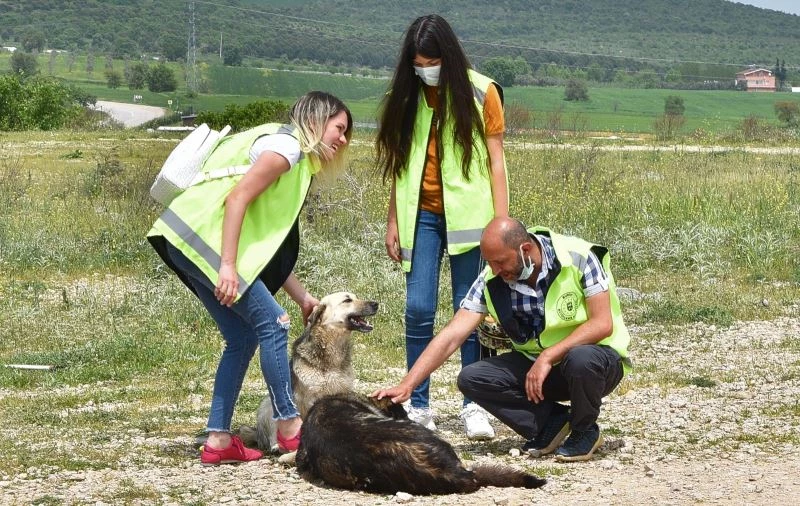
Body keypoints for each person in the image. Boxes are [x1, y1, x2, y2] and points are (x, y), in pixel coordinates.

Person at [147, 91, 352, 465]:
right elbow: (236, 199)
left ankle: (219, 440)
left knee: (241, 338)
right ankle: (290, 427)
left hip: (183, 238)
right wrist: (226, 265)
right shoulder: (287, 150)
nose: (342, 139)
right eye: (339, 128)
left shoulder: (286, 149)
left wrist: (302, 296)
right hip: (202, 239)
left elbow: (261, 244)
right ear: (316, 120)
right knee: (273, 325)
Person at [374, 217, 632, 462]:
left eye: (500, 262)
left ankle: (584, 430)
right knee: (472, 378)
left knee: (580, 358)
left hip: (594, 364)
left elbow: (602, 323)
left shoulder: (578, 256)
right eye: (490, 263)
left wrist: (549, 355)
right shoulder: (491, 278)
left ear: (526, 249)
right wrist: (408, 384)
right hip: (540, 371)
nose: (495, 270)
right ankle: (552, 422)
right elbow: (453, 334)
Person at [375, 14, 508, 440]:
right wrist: (393, 220)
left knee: (469, 313)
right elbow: (399, 164)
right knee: (417, 309)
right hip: (422, 217)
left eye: (430, 61)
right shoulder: (405, 94)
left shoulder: (482, 92)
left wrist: (501, 227)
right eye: (417, 62)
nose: (423, 69)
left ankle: (475, 405)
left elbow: (496, 163)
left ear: (447, 57)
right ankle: (419, 405)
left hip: (472, 221)